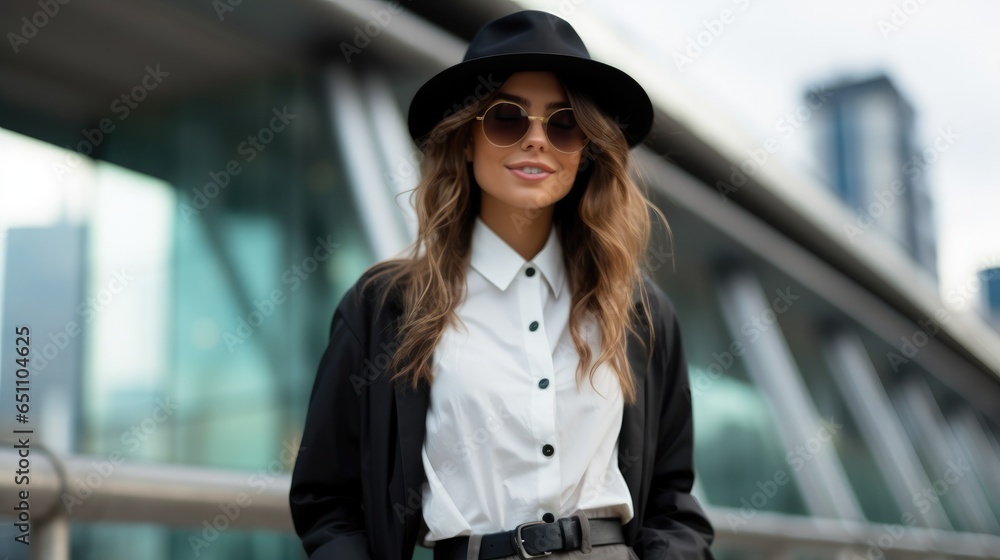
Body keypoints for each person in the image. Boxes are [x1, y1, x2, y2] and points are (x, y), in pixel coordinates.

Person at [289, 10, 714, 560]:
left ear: (584, 151)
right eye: (507, 119)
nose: (537, 140)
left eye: (563, 124)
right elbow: (327, 499)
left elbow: (673, 499)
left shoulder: (639, 311)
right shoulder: (386, 306)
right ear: (466, 140)